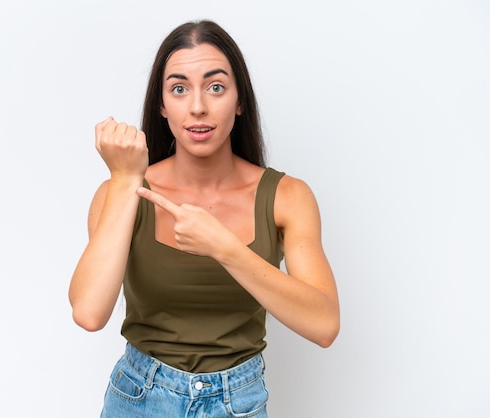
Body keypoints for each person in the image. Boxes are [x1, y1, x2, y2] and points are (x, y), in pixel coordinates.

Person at [69, 19, 340, 417]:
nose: (198, 106)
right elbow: (89, 313)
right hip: (138, 399)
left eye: (216, 87)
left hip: (238, 402)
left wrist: (226, 249)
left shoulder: (287, 197)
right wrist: (127, 177)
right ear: (162, 105)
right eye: (179, 89)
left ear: (239, 100)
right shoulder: (122, 191)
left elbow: (324, 325)